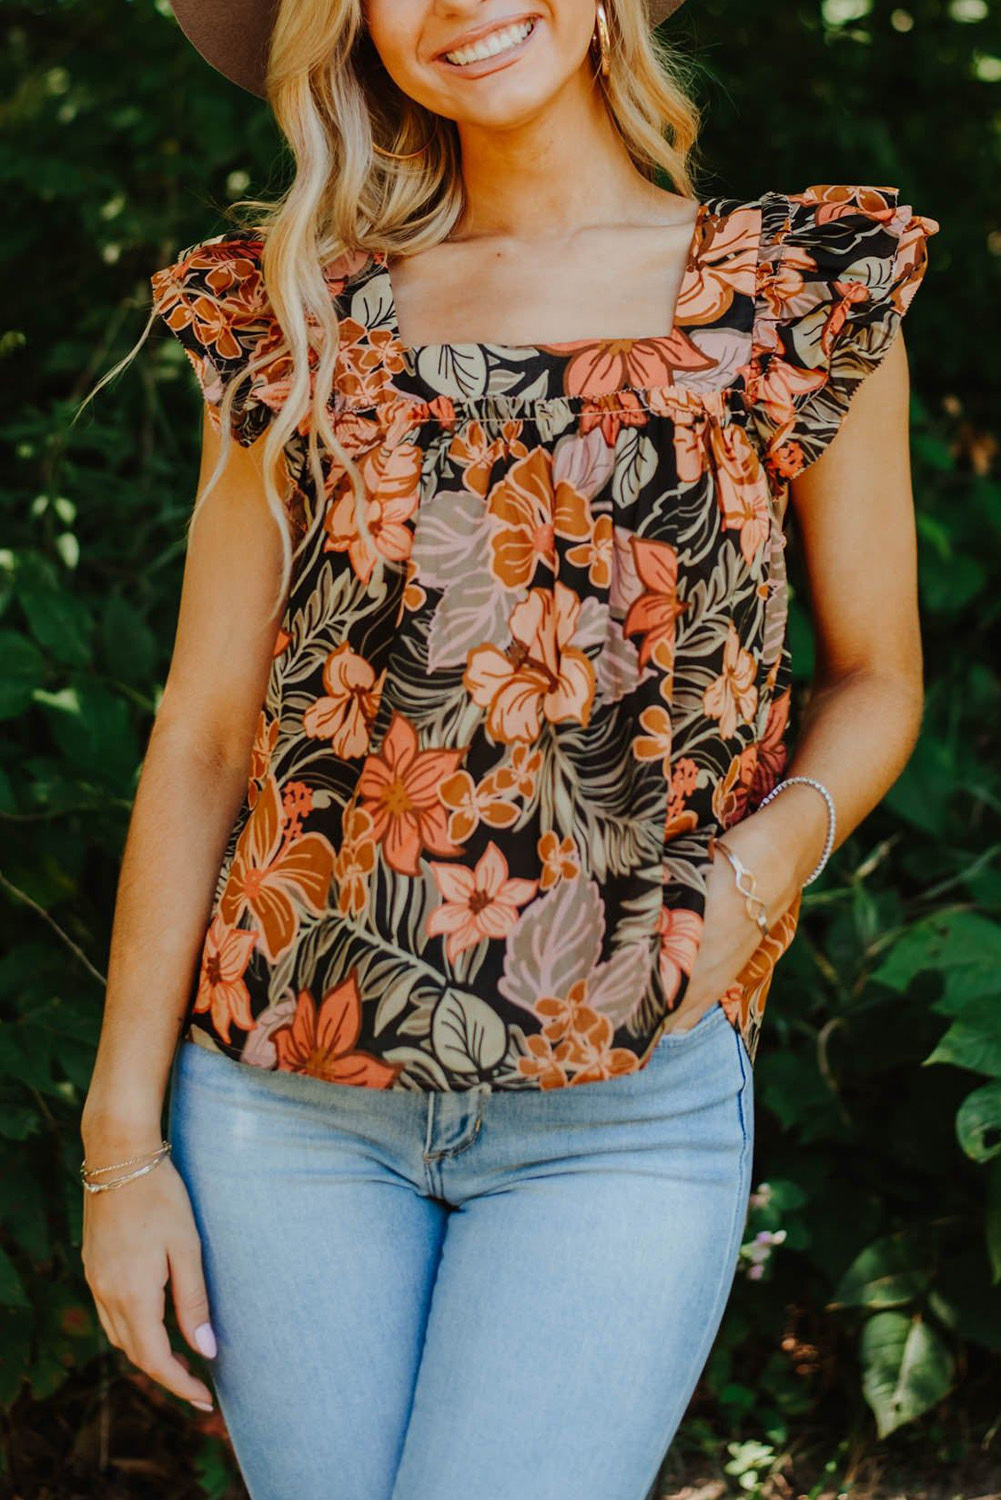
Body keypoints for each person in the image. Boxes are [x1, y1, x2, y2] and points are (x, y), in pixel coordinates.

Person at [79, 2, 939, 1496]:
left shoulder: (792, 290)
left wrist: (738, 889)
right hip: (286, 1104)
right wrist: (120, 1148)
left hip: (621, 1110)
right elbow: (204, 737)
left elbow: (877, 679)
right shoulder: (299, 312)